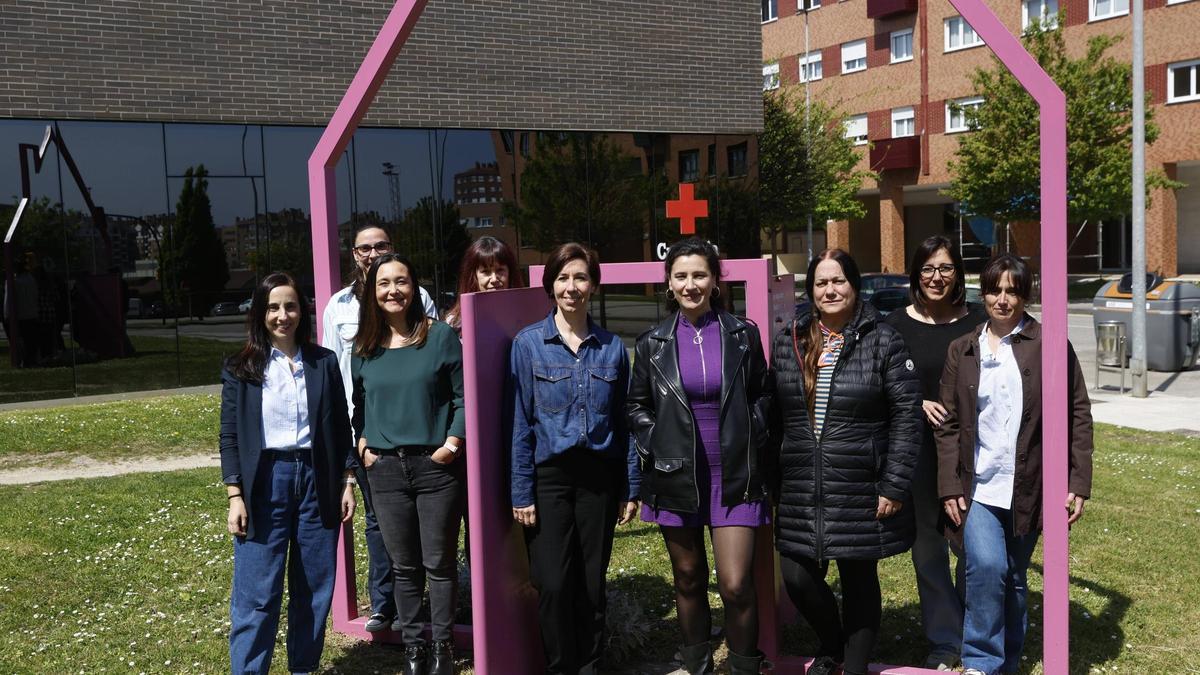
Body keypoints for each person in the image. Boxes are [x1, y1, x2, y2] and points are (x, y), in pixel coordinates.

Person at [936, 253, 1093, 675]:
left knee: (1014, 576)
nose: (1002, 299)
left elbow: (1078, 412)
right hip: (979, 485)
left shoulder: (1050, 344)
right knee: (986, 566)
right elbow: (949, 424)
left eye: (1012, 291)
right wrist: (949, 485)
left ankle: (1005, 662)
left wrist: (1078, 479)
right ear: (982, 291)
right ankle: (981, 662)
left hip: (1030, 484)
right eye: (994, 289)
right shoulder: (962, 348)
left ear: (1025, 295)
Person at [770, 249, 922, 675]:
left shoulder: (883, 340)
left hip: (861, 482)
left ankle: (853, 666)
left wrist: (893, 484)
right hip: (802, 484)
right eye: (821, 282)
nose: (831, 290)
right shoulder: (791, 341)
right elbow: (773, 417)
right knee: (797, 576)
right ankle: (832, 644)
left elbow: (907, 419)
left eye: (839, 281)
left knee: (858, 581)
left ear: (854, 286)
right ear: (811, 290)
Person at [626, 238, 771, 675]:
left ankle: (745, 665)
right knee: (688, 578)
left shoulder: (742, 334)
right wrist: (658, 441)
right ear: (669, 284)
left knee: (735, 582)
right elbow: (636, 405)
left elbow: (763, 392)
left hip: (734, 473)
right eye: (681, 276)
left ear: (714, 280)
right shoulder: (652, 342)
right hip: (677, 475)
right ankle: (697, 664)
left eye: (699, 275)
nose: (691, 284)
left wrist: (753, 431)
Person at [508, 242, 641, 675]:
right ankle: (560, 665)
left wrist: (629, 486)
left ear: (594, 285)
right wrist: (521, 489)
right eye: (563, 278)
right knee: (552, 582)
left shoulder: (611, 348)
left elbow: (624, 424)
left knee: (590, 582)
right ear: (550, 286)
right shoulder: (529, 345)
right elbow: (521, 423)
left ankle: (590, 666)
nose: (572, 287)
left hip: (598, 477)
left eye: (580, 277)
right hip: (549, 478)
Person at [219, 272, 357, 675]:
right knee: (257, 594)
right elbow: (229, 435)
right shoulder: (241, 367)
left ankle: (303, 668)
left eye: (291, 306)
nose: (283, 315)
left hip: (318, 480)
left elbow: (339, 427)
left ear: (302, 310)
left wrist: (346, 481)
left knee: (313, 589)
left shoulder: (323, 362)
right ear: (260, 313)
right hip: (265, 481)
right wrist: (235, 495)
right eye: (274, 307)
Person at [320, 223, 439, 635]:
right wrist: (350, 437)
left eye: (381, 246)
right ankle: (385, 604)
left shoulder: (418, 297)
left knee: (421, 522)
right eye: (364, 248)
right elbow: (333, 372)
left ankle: (424, 605)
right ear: (354, 255)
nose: (372, 253)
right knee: (378, 520)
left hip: (418, 430)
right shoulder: (336, 307)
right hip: (367, 428)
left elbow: (434, 361)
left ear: (393, 248)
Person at [352, 253, 466, 675]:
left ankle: (442, 649)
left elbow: (462, 397)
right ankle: (414, 650)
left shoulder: (438, 337)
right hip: (384, 471)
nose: (393, 291)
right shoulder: (364, 346)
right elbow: (358, 404)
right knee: (403, 567)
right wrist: (363, 443)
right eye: (383, 284)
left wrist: (451, 445)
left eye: (401, 281)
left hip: (435, 468)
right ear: (372, 291)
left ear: (415, 287)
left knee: (438, 564)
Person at [882, 235, 986, 671]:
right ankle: (945, 641)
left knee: (976, 546)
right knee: (928, 549)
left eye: (945, 268)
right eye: (928, 269)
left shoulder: (981, 321)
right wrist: (915, 401)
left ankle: (977, 631)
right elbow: (880, 384)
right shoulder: (894, 325)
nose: (936, 277)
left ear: (959, 274)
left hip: (975, 451)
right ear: (915, 275)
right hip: (918, 453)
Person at [443, 235, 522, 334]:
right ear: (473, 277)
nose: (494, 279)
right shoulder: (455, 324)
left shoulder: (525, 315)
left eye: (500, 270)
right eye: (486, 271)